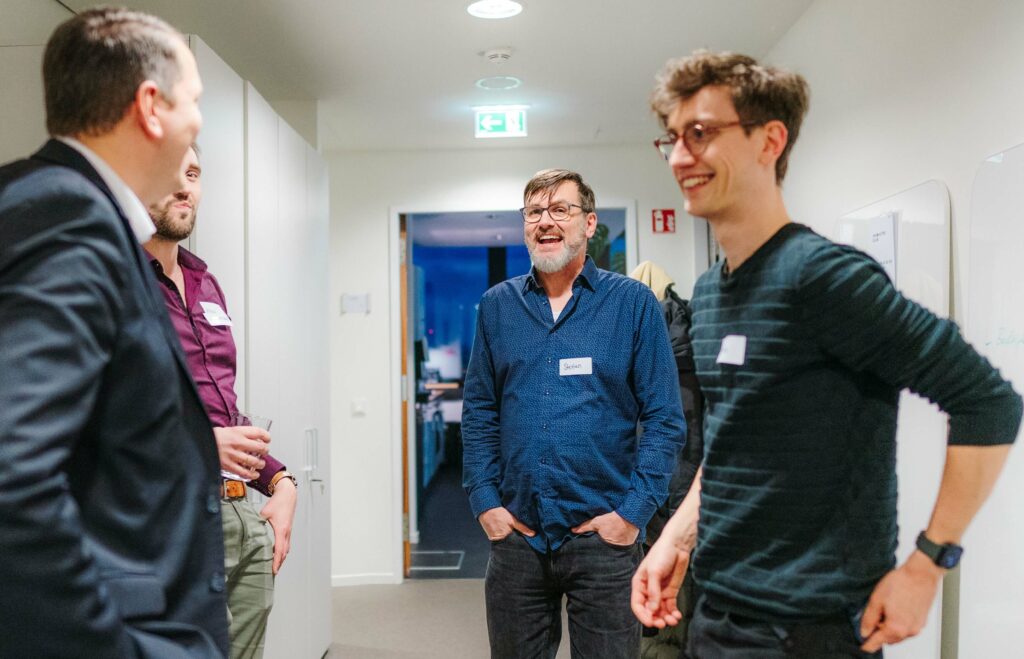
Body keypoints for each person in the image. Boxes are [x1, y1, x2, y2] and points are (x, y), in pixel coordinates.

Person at [632, 50, 1023, 658]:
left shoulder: (823, 278)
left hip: (810, 629)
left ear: (770, 140)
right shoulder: (710, 293)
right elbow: (735, 439)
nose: (682, 156)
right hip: (717, 611)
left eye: (702, 133)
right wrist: (677, 540)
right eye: (674, 138)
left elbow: (987, 402)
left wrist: (927, 566)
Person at [0, 8, 231, 658]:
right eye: (194, 100)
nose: (199, 122)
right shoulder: (68, 219)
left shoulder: (46, 201)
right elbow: (12, 473)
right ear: (150, 107)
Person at [462, 168, 686, 658]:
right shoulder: (498, 307)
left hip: (604, 540)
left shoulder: (632, 304)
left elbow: (666, 419)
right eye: (534, 212)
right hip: (518, 538)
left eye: (560, 209)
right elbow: (479, 410)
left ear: (589, 224)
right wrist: (484, 499)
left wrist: (632, 514)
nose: (546, 221)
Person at [144, 145, 299, 659]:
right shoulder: (112, 282)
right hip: (172, 517)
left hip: (241, 514)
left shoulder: (205, 280)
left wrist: (280, 482)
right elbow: (93, 418)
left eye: (193, 173)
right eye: (171, 173)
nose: (185, 186)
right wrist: (204, 444)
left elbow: (222, 411)